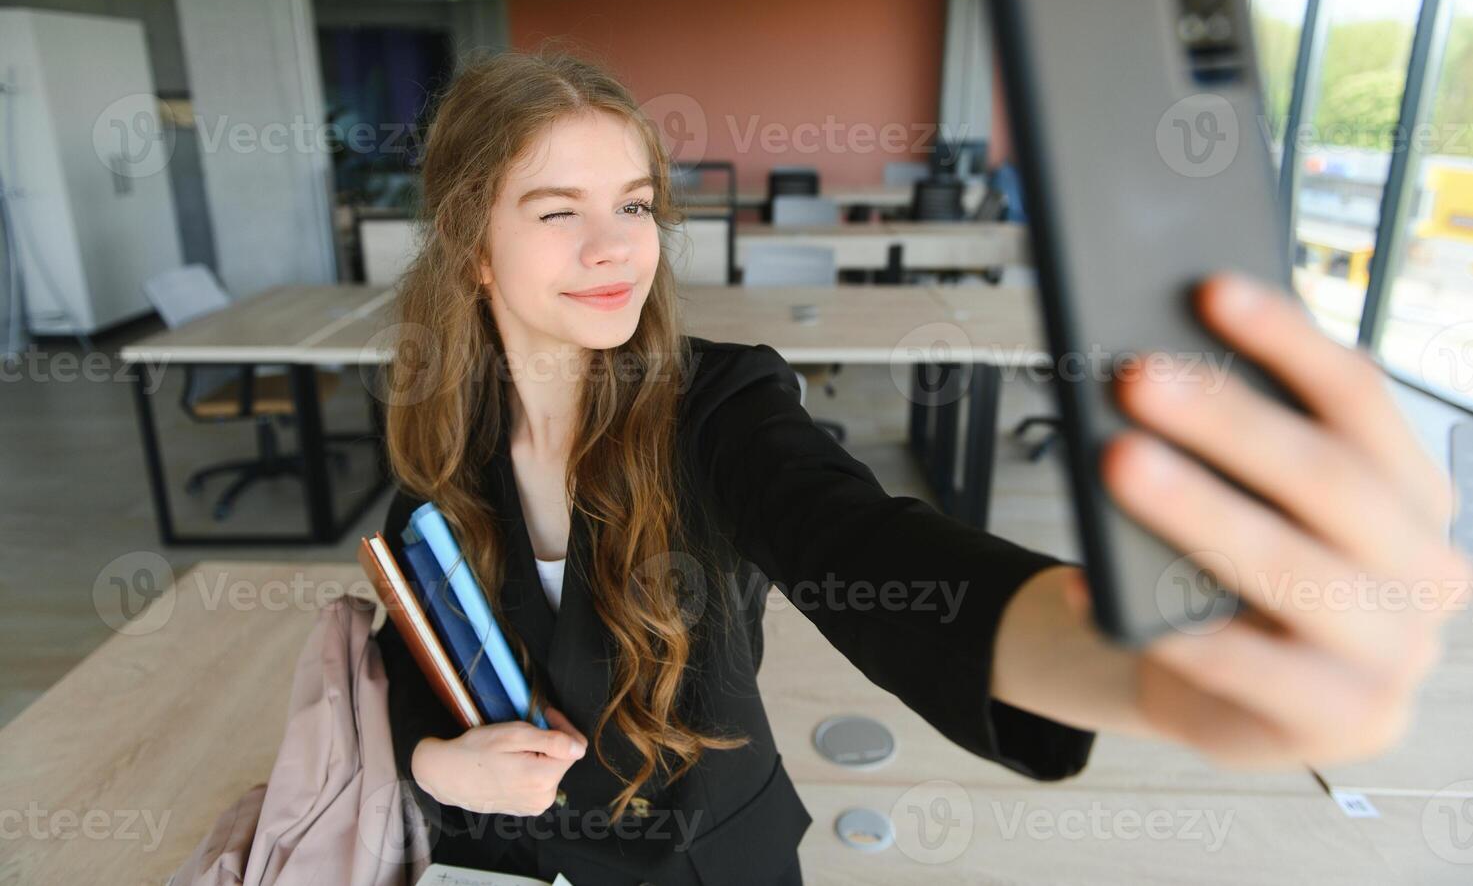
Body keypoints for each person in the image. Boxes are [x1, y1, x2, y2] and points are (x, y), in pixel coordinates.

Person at [372, 48, 1468, 884]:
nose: (615, 247)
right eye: (559, 212)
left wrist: (1142, 661)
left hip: (708, 862)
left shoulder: (718, 403)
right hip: (513, 863)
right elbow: (410, 661)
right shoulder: (443, 444)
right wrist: (438, 768)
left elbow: (862, 544)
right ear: (473, 247)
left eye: (636, 204)